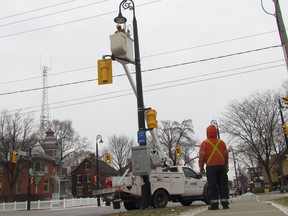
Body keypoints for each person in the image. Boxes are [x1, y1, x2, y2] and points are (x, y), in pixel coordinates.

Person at [198, 124, 229, 210]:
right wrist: (226, 165)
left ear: (207, 133)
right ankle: (225, 203)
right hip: (222, 166)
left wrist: (201, 167)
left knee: (212, 185)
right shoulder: (222, 143)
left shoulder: (205, 143)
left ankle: (214, 204)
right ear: (216, 132)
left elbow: (201, 157)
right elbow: (226, 155)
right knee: (223, 185)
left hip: (211, 167)